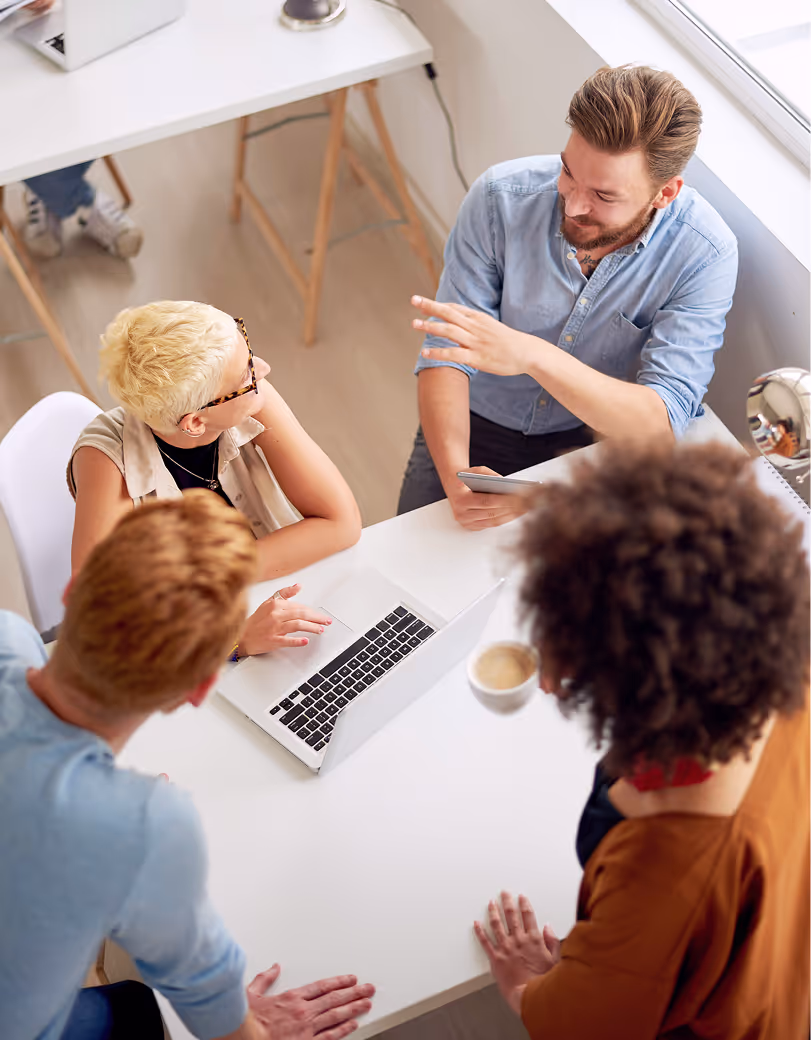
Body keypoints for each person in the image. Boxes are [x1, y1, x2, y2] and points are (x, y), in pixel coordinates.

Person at [0, 491, 375, 1040]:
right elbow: (217, 1017)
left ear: (73, 591)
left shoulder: (9, 634)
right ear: (198, 689)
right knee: (143, 1010)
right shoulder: (147, 827)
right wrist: (258, 1030)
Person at [472, 443, 810, 1038]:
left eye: (567, 652)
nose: (549, 679)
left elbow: (583, 1025)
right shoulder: (781, 671)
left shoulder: (665, 878)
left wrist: (536, 987)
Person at [397, 65, 739, 528]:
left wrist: (531, 354)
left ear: (665, 193)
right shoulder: (499, 199)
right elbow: (445, 358)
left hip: (590, 441)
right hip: (474, 420)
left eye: (602, 194)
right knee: (413, 566)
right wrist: (457, 481)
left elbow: (661, 422)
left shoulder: (704, 252)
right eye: (568, 171)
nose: (574, 204)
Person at [69, 300, 362, 658]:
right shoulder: (106, 461)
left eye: (249, 352)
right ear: (194, 422)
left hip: (280, 600)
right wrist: (235, 640)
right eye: (244, 376)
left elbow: (342, 523)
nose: (263, 370)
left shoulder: (249, 393)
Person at [16, 1, 143, 260]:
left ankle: (45, 187)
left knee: (99, 86)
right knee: (14, 125)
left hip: (31, 24)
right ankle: (80, 200)